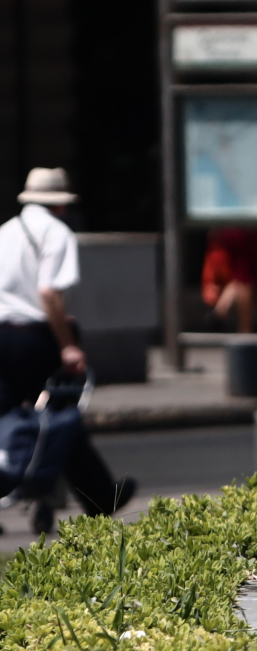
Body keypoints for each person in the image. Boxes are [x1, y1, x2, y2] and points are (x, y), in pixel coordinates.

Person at [0, 167, 135, 521]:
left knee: (6, 420)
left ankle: (92, 495)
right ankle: (100, 496)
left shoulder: (6, 231)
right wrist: (67, 345)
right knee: (60, 419)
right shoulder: (56, 233)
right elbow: (49, 294)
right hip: (32, 337)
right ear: (61, 204)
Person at [201, 227, 257, 333]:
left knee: (241, 278)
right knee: (245, 280)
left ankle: (221, 311)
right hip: (246, 231)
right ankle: (244, 327)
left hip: (229, 230)